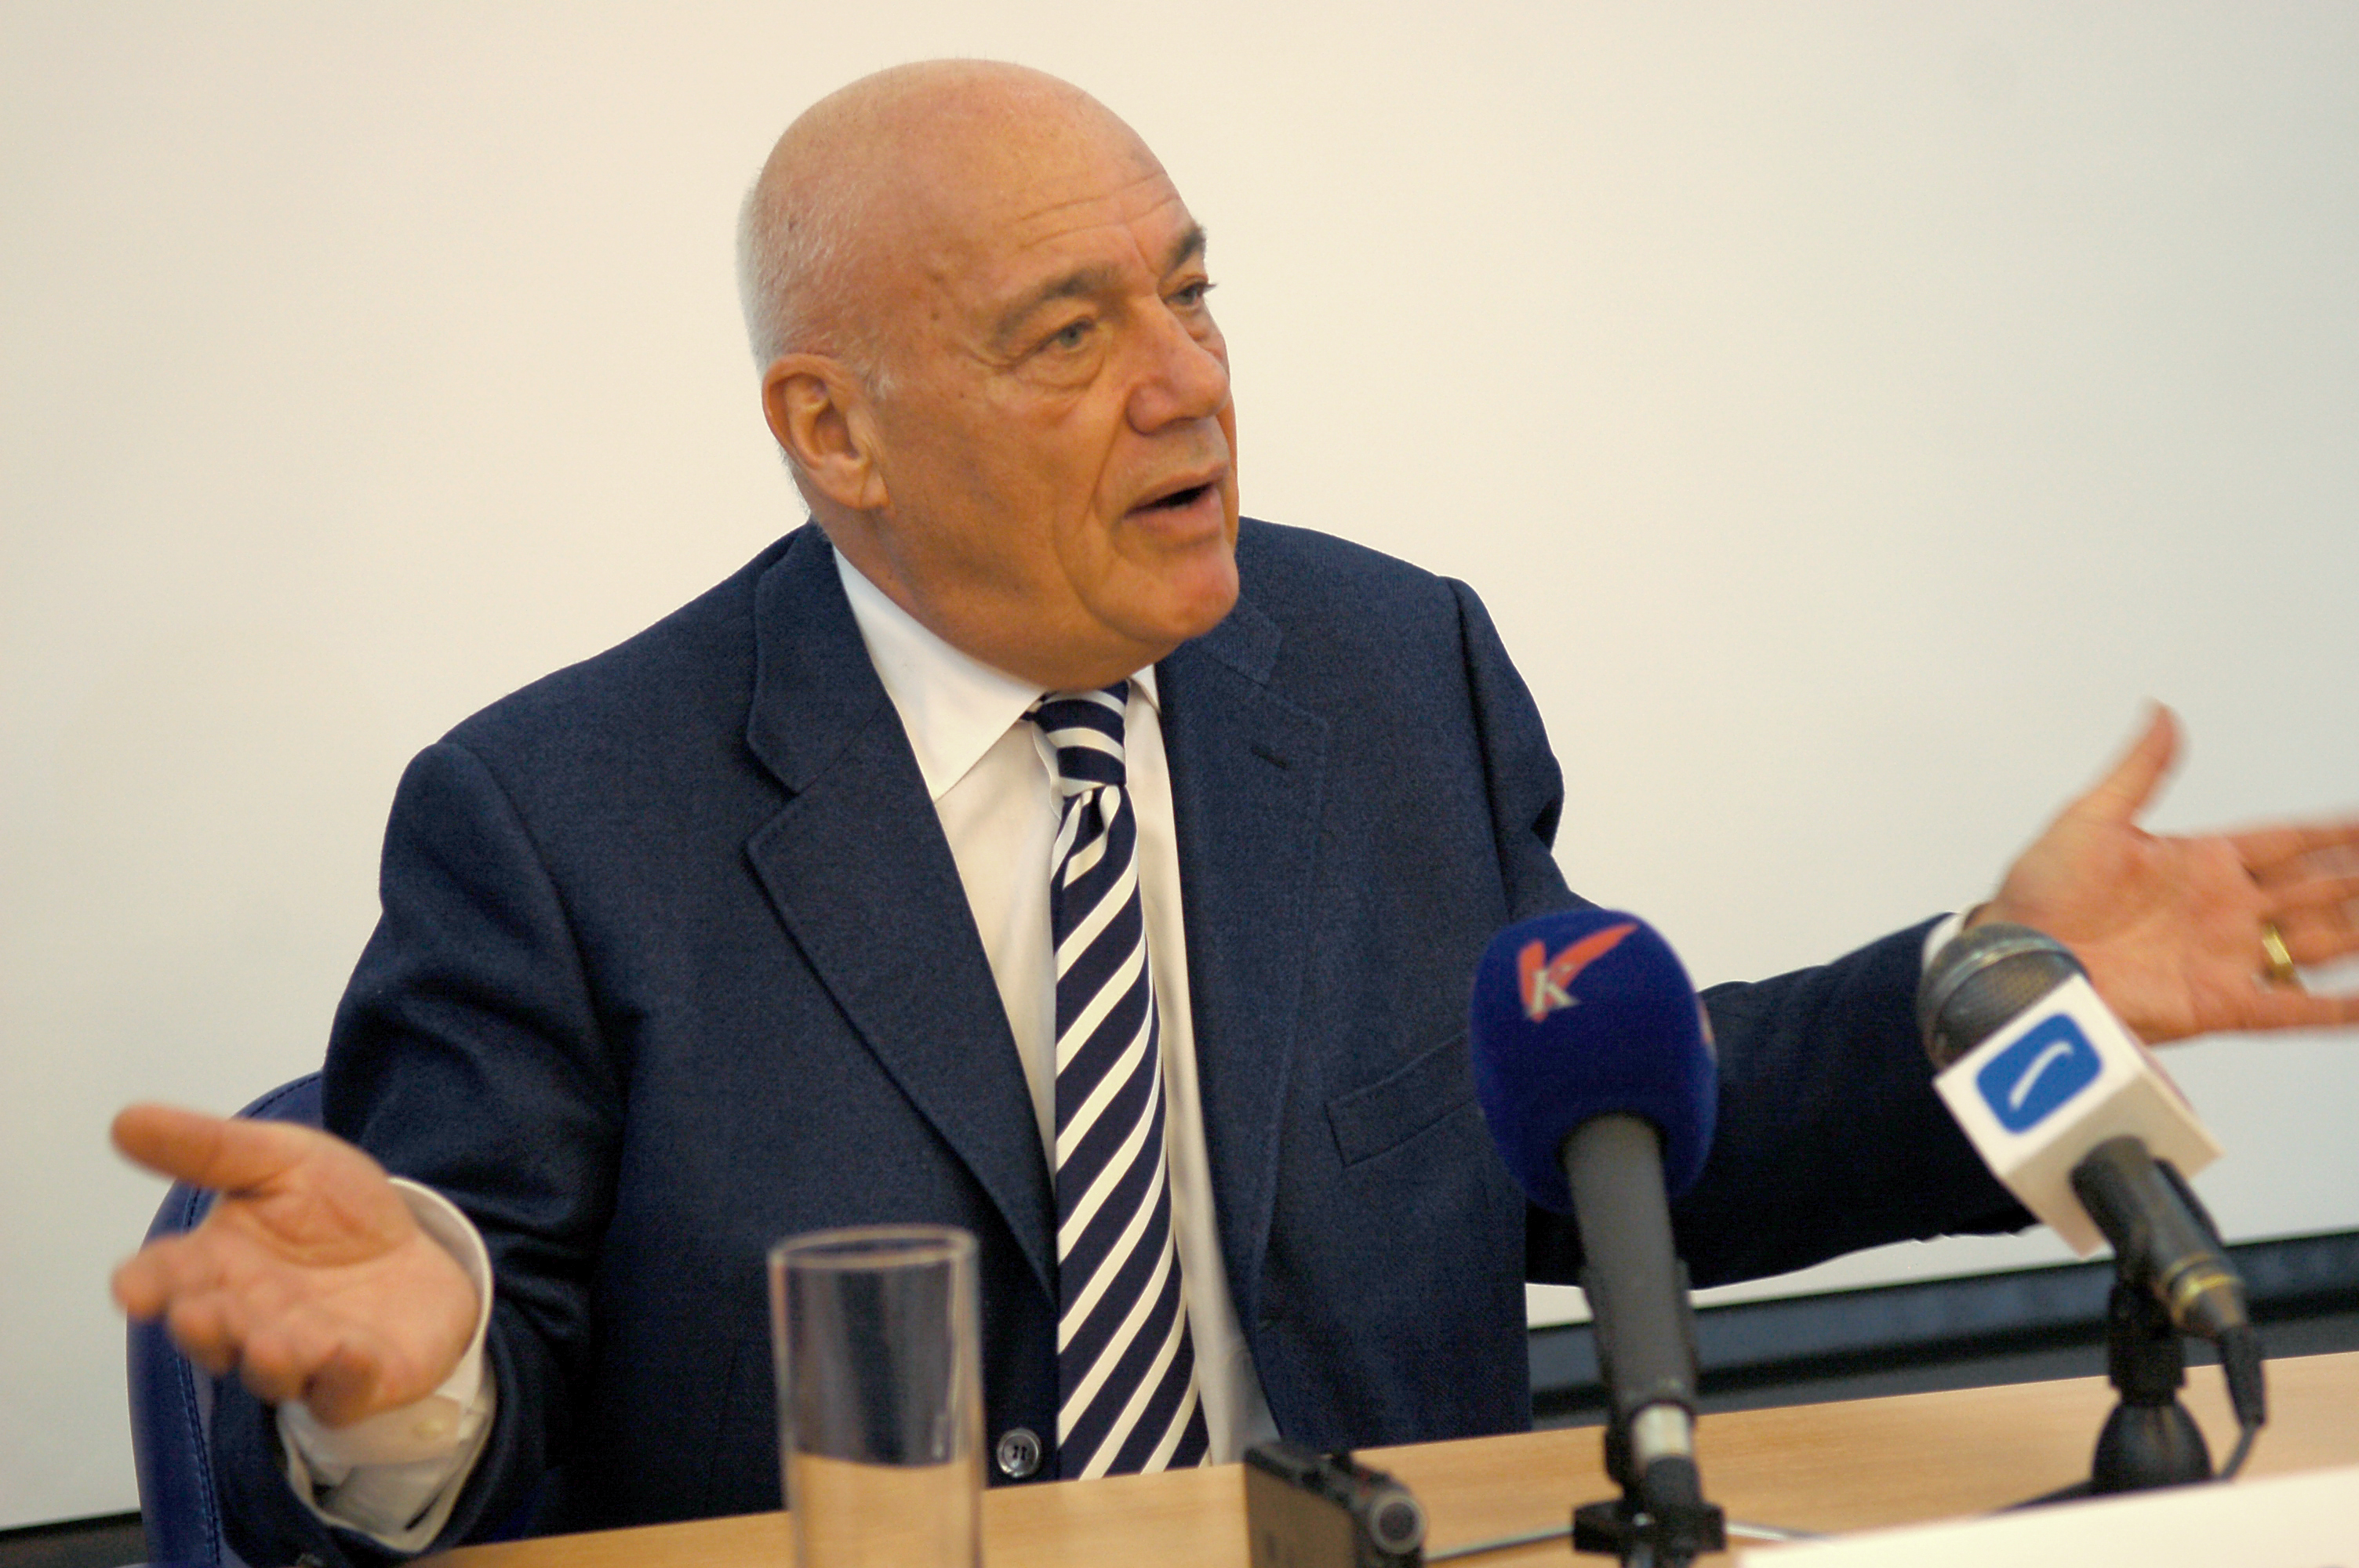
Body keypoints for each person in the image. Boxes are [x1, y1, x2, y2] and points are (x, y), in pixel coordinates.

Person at [111, 60, 2359, 1566]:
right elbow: (459, 1416)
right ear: (835, 430)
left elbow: (1601, 1131)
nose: (1188, 379)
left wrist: (2002, 993)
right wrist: (422, 1378)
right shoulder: (555, 819)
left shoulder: (1390, 672)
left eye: (1191, 295)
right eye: (1068, 335)